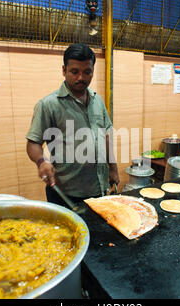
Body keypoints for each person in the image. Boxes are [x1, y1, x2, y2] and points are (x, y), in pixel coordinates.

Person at [26, 43, 119, 207]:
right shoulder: (48, 105)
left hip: (98, 188)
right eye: (74, 71)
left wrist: (113, 168)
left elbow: (104, 137)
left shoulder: (97, 100)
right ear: (64, 70)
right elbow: (33, 143)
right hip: (66, 193)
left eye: (87, 72)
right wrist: (41, 162)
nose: (81, 78)